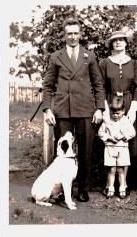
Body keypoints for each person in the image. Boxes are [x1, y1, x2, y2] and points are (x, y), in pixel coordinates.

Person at [42, 17, 105, 202]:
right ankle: (60, 189)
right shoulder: (56, 57)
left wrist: (99, 108)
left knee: (85, 151)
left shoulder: (89, 56)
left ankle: (83, 189)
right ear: (64, 35)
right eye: (69, 33)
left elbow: (98, 84)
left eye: (76, 33)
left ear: (80, 34)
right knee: (62, 152)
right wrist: (47, 109)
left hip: (85, 110)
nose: (72, 37)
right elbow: (47, 85)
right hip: (63, 111)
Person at [99, 31, 137, 193]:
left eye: (121, 40)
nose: (118, 43)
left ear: (126, 43)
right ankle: (109, 184)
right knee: (110, 140)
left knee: (127, 142)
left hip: (129, 103)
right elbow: (101, 87)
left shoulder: (134, 63)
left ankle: (124, 184)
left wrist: (134, 106)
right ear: (111, 44)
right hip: (110, 104)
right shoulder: (104, 63)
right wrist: (103, 107)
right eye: (114, 40)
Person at [98, 95, 136, 199]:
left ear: (123, 111)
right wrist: (109, 138)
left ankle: (122, 188)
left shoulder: (126, 121)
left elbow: (132, 132)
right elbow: (101, 133)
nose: (115, 115)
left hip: (122, 148)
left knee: (120, 170)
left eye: (117, 113)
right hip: (110, 148)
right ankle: (110, 188)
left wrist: (125, 136)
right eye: (113, 113)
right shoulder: (107, 121)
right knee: (111, 169)